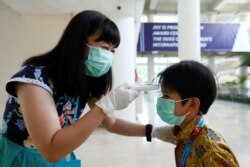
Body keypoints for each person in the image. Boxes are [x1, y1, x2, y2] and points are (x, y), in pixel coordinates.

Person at [0, 10, 174, 166]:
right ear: (78, 42)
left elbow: (111, 123)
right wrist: (105, 105)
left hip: (61, 155)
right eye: (104, 47)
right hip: (22, 158)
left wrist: (155, 131)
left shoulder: (85, 81)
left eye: (112, 51)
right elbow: (51, 150)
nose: (108, 56)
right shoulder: (33, 80)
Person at [156, 60, 239, 167]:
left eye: (167, 96)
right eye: (162, 94)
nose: (161, 100)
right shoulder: (186, 132)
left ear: (192, 104)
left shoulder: (212, 152)